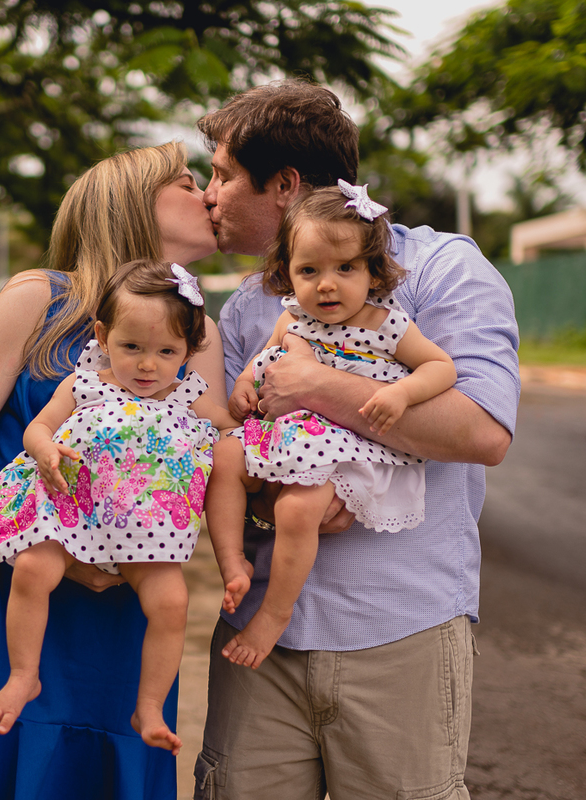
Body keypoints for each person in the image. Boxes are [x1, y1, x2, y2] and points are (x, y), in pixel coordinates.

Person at [194, 80, 520, 800]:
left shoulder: (442, 270)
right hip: (261, 647)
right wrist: (277, 498)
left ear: (284, 185)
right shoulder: (250, 305)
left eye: (221, 175)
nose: (208, 195)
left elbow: (483, 430)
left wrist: (317, 386)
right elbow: (231, 450)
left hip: (401, 635)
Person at [0, 141, 226, 800]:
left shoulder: (199, 334)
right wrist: (47, 538)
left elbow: (207, 453)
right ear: (134, 200)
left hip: (123, 600)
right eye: (189, 183)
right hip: (17, 580)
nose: (210, 196)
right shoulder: (38, 297)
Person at [0, 259, 239, 754]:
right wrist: (44, 448)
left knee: (171, 603)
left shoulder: (189, 394)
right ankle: (23, 674)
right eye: (132, 347)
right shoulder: (85, 383)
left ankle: (149, 706)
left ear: (188, 350)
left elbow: (229, 429)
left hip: (147, 529)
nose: (147, 365)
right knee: (32, 567)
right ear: (103, 335)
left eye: (166, 351)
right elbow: (38, 426)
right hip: (74, 511)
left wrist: (244, 422)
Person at [209, 182, 457, 670]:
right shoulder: (291, 319)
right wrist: (243, 384)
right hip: (291, 434)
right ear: (287, 273)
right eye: (309, 271)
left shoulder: (386, 325)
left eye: (345, 268)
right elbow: (260, 361)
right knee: (225, 456)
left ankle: (274, 613)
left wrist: (402, 393)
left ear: (373, 271)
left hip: (347, 442)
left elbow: (440, 367)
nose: (327, 284)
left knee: (298, 508)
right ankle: (232, 559)